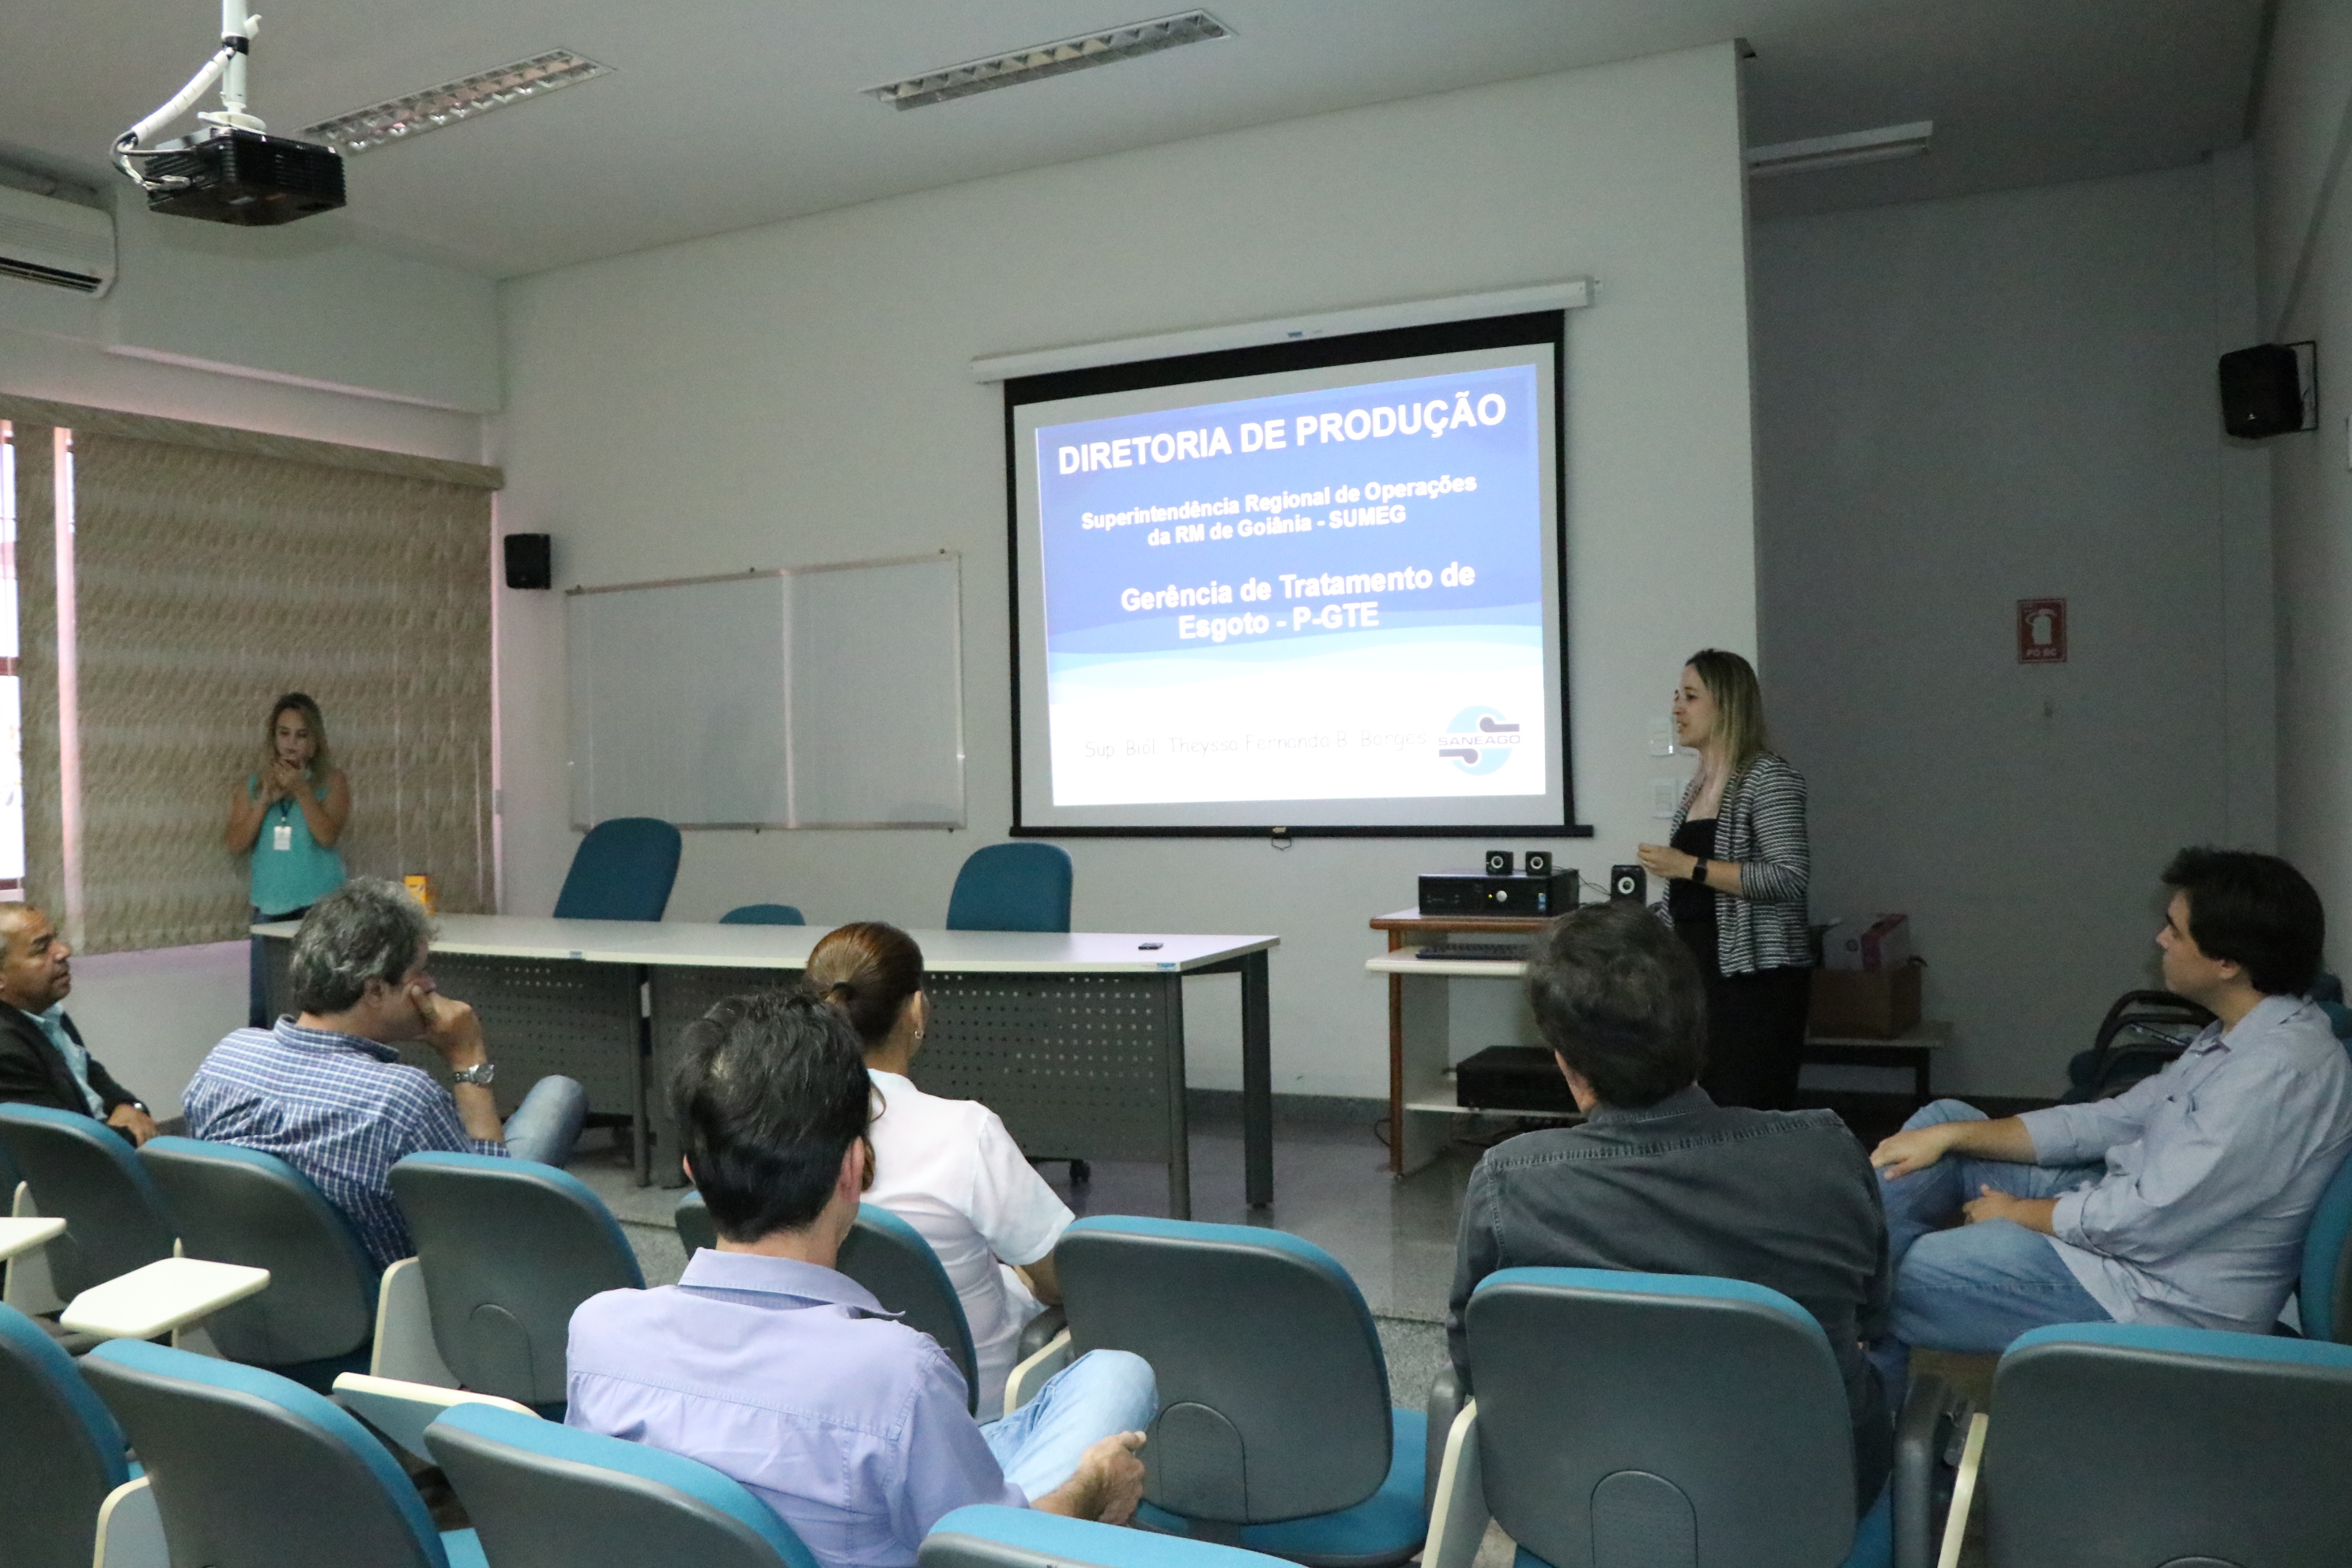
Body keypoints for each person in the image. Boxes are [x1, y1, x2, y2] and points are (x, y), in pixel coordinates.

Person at [568, 989, 1155, 1568]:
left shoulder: (600, 1332)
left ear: (694, 1172)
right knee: (1118, 1379)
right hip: (937, 1528)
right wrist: (1090, 1490)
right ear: (853, 1169)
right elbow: (987, 1560)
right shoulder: (899, 1377)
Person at [1446, 899, 1891, 1507]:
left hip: (1587, 1502)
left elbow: (1477, 1359)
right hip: (1807, 1501)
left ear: (1568, 1066)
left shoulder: (1508, 1183)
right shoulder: (1827, 1151)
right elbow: (1873, 1317)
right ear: (1699, 1031)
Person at [1868, 848, 2352, 1388]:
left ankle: (1847, 1355)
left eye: (2175, 931)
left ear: (2227, 963)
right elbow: (2115, 1119)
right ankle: (1839, 1271)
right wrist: (1952, 1134)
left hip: (2156, 1297)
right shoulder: (2241, 1033)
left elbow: (2147, 1217)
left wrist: (2018, 1213)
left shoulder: (2277, 1073)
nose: (2161, 940)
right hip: (2135, 1234)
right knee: (1944, 1124)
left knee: (1898, 1274)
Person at [181, 878, 586, 1268]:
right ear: (374, 990)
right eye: (420, 972)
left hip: (254, 1291)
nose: (431, 984)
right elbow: (491, 1222)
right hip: (397, 1303)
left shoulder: (225, 1059)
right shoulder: (401, 1100)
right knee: (560, 1094)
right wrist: (468, 1059)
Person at [803, 920, 1074, 1414]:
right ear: (915, 1010)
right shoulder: (966, 1132)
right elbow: (1067, 1279)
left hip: (835, 1403)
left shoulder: (774, 1131)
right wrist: (1023, 1271)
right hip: (974, 1414)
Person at [1636, 650, 1814, 1110]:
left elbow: (1788, 877)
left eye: (1690, 696)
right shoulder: (1697, 788)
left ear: (1728, 703)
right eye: (1677, 696)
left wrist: (1687, 866)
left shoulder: (1769, 778)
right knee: (1703, 1105)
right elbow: (1691, 901)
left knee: (1747, 1105)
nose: (1677, 708)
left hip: (1754, 981)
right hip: (1699, 978)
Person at [225, 694, 351, 1028]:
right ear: (273, 738)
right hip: (269, 907)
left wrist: (302, 790)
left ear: (315, 741)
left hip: (319, 909)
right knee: (265, 1006)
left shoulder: (332, 781)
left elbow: (327, 835)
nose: (291, 744)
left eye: (301, 735)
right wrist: (264, 800)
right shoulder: (253, 785)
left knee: (321, 1007)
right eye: (284, 734)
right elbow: (236, 843)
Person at [0, 903, 155, 1145]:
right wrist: (136, 1132)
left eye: (55, 940)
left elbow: (89, 1073)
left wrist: (129, 1106)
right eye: (41, 949)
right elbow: (63, 1146)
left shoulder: (46, 1011)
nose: (64, 951)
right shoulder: (6, 1051)